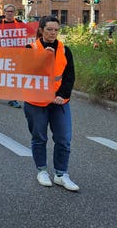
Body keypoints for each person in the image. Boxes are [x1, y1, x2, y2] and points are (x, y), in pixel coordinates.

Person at [24, 16, 79, 191]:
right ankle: (41, 170)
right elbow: (24, 73)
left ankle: (61, 174)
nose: (53, 33)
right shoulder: (30, 48)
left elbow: (69, 76)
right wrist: (43, 57)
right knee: (39, 137)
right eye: (49, 29)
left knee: (64, 138)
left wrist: (62, 94)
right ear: (41, 30)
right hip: (36, 101)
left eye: (56, 30)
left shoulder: (65, 50)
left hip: (59, 101)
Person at [0, 4, 23, 108]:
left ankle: (13, 99)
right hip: (2, 54)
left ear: (14, 13)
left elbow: (29, 33)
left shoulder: (20, 23)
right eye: (8, 11)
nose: (9, 13)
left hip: (16, 55)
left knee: (13, 77)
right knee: (0, 75)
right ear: (4, 13)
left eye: (11, 11)